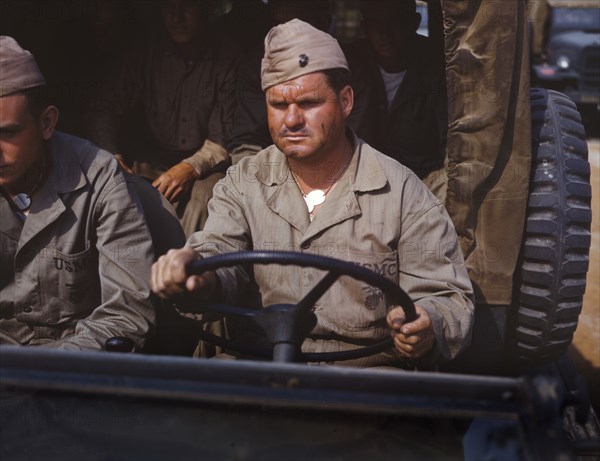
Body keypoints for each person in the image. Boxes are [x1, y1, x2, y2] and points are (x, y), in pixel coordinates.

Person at [152, 20, 474, 368]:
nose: (291, 120)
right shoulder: (243, 183)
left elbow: (446, 297)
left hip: (366, 376)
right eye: (278, 105)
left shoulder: (403, 193)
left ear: (346, 101)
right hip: (257, 365)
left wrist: (428, 324)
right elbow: (219, 252)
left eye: (308, 103)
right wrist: (196, 274)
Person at [0, 36, 156, 350]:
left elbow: (127, 312)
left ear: (46, 122)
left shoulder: (100, 179)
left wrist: (48, 369)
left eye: (7, 133)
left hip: (75, 371)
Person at [86, 0, 239, 236]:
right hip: (151, 157)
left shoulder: (226, 57)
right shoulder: (144, 50)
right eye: (169, 7)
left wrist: (190, 167)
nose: (177, 17)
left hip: (205, 163)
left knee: (203, 199)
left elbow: (222, 138)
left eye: (187, 6)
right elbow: (106, 106)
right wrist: (112, 156)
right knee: (113, 189)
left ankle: (184, 267)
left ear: (204, 8)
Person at [345, 0, 447, 200]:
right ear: (365, 28)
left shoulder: (437, 67)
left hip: (422, 181)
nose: (385, 33)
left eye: (395, 23)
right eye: (377, 25)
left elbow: (451, 145)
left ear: (413, 23)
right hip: (362, 180)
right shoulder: (353, 63)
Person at [226, 0, 334, 165]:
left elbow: (350, 145)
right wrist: (259, 184)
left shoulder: (343, 71)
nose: (291, 119)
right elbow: (246, 143)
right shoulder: (257, 67)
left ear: (323, 20)